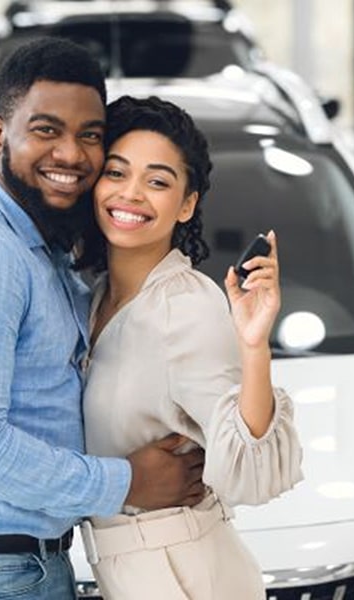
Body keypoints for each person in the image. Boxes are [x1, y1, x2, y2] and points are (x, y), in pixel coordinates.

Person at [0, 38, 206, 600]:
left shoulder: (39, 244)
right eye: (46, 130)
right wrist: (129, 481)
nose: (71, 155)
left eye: (90, 135)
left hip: (0, 568)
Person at [76, 95, 304, 599]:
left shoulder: (186, 308)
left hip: (183, 573)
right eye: (116, 173)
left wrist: (254, 347)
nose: (131, 194)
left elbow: (251, 471)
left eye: (157, 181)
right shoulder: (92, 297)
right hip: (131, 570)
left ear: (186, 204)